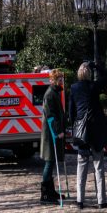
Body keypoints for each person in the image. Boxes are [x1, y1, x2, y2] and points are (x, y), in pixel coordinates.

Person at [69, 60, 107, 210]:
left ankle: (80, 200)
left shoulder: (74, 88)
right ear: (89, 73)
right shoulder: (94, 86)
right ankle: (102, 200)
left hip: (82, 132)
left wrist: (75, 123)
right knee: (98, 166)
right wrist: (96, 65)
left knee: (81, 167)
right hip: (96, 132)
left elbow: (71, 112)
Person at [40, 67, 66, 204]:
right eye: (59, 78)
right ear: (53, 80)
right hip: (50, 133)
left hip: (53, 132)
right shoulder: (50, 94)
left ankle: (51, 191)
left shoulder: (55, 92)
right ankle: (45, 194)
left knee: (51, 162)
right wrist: (58, 131)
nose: (61, 80)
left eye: (61, 78)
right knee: (49, 162)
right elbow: (51, 116)